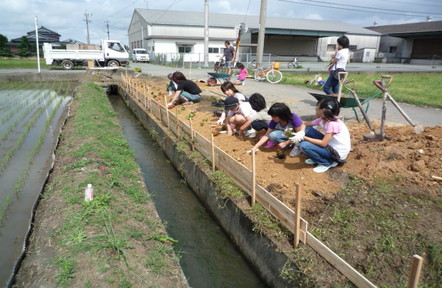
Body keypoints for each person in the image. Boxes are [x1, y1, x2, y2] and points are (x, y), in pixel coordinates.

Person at [290, 98, 351, 173]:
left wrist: (303, 137)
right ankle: (318, 156)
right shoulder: (323, 119)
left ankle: (326, 163)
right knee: (307, 130)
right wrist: (302, 132)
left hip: (337, 152)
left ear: (323, 110)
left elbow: (323, 143)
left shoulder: (333, 124)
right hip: (330, 144)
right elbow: (305, 124)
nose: (315, 109)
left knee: (304, 145)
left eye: (317, 108)